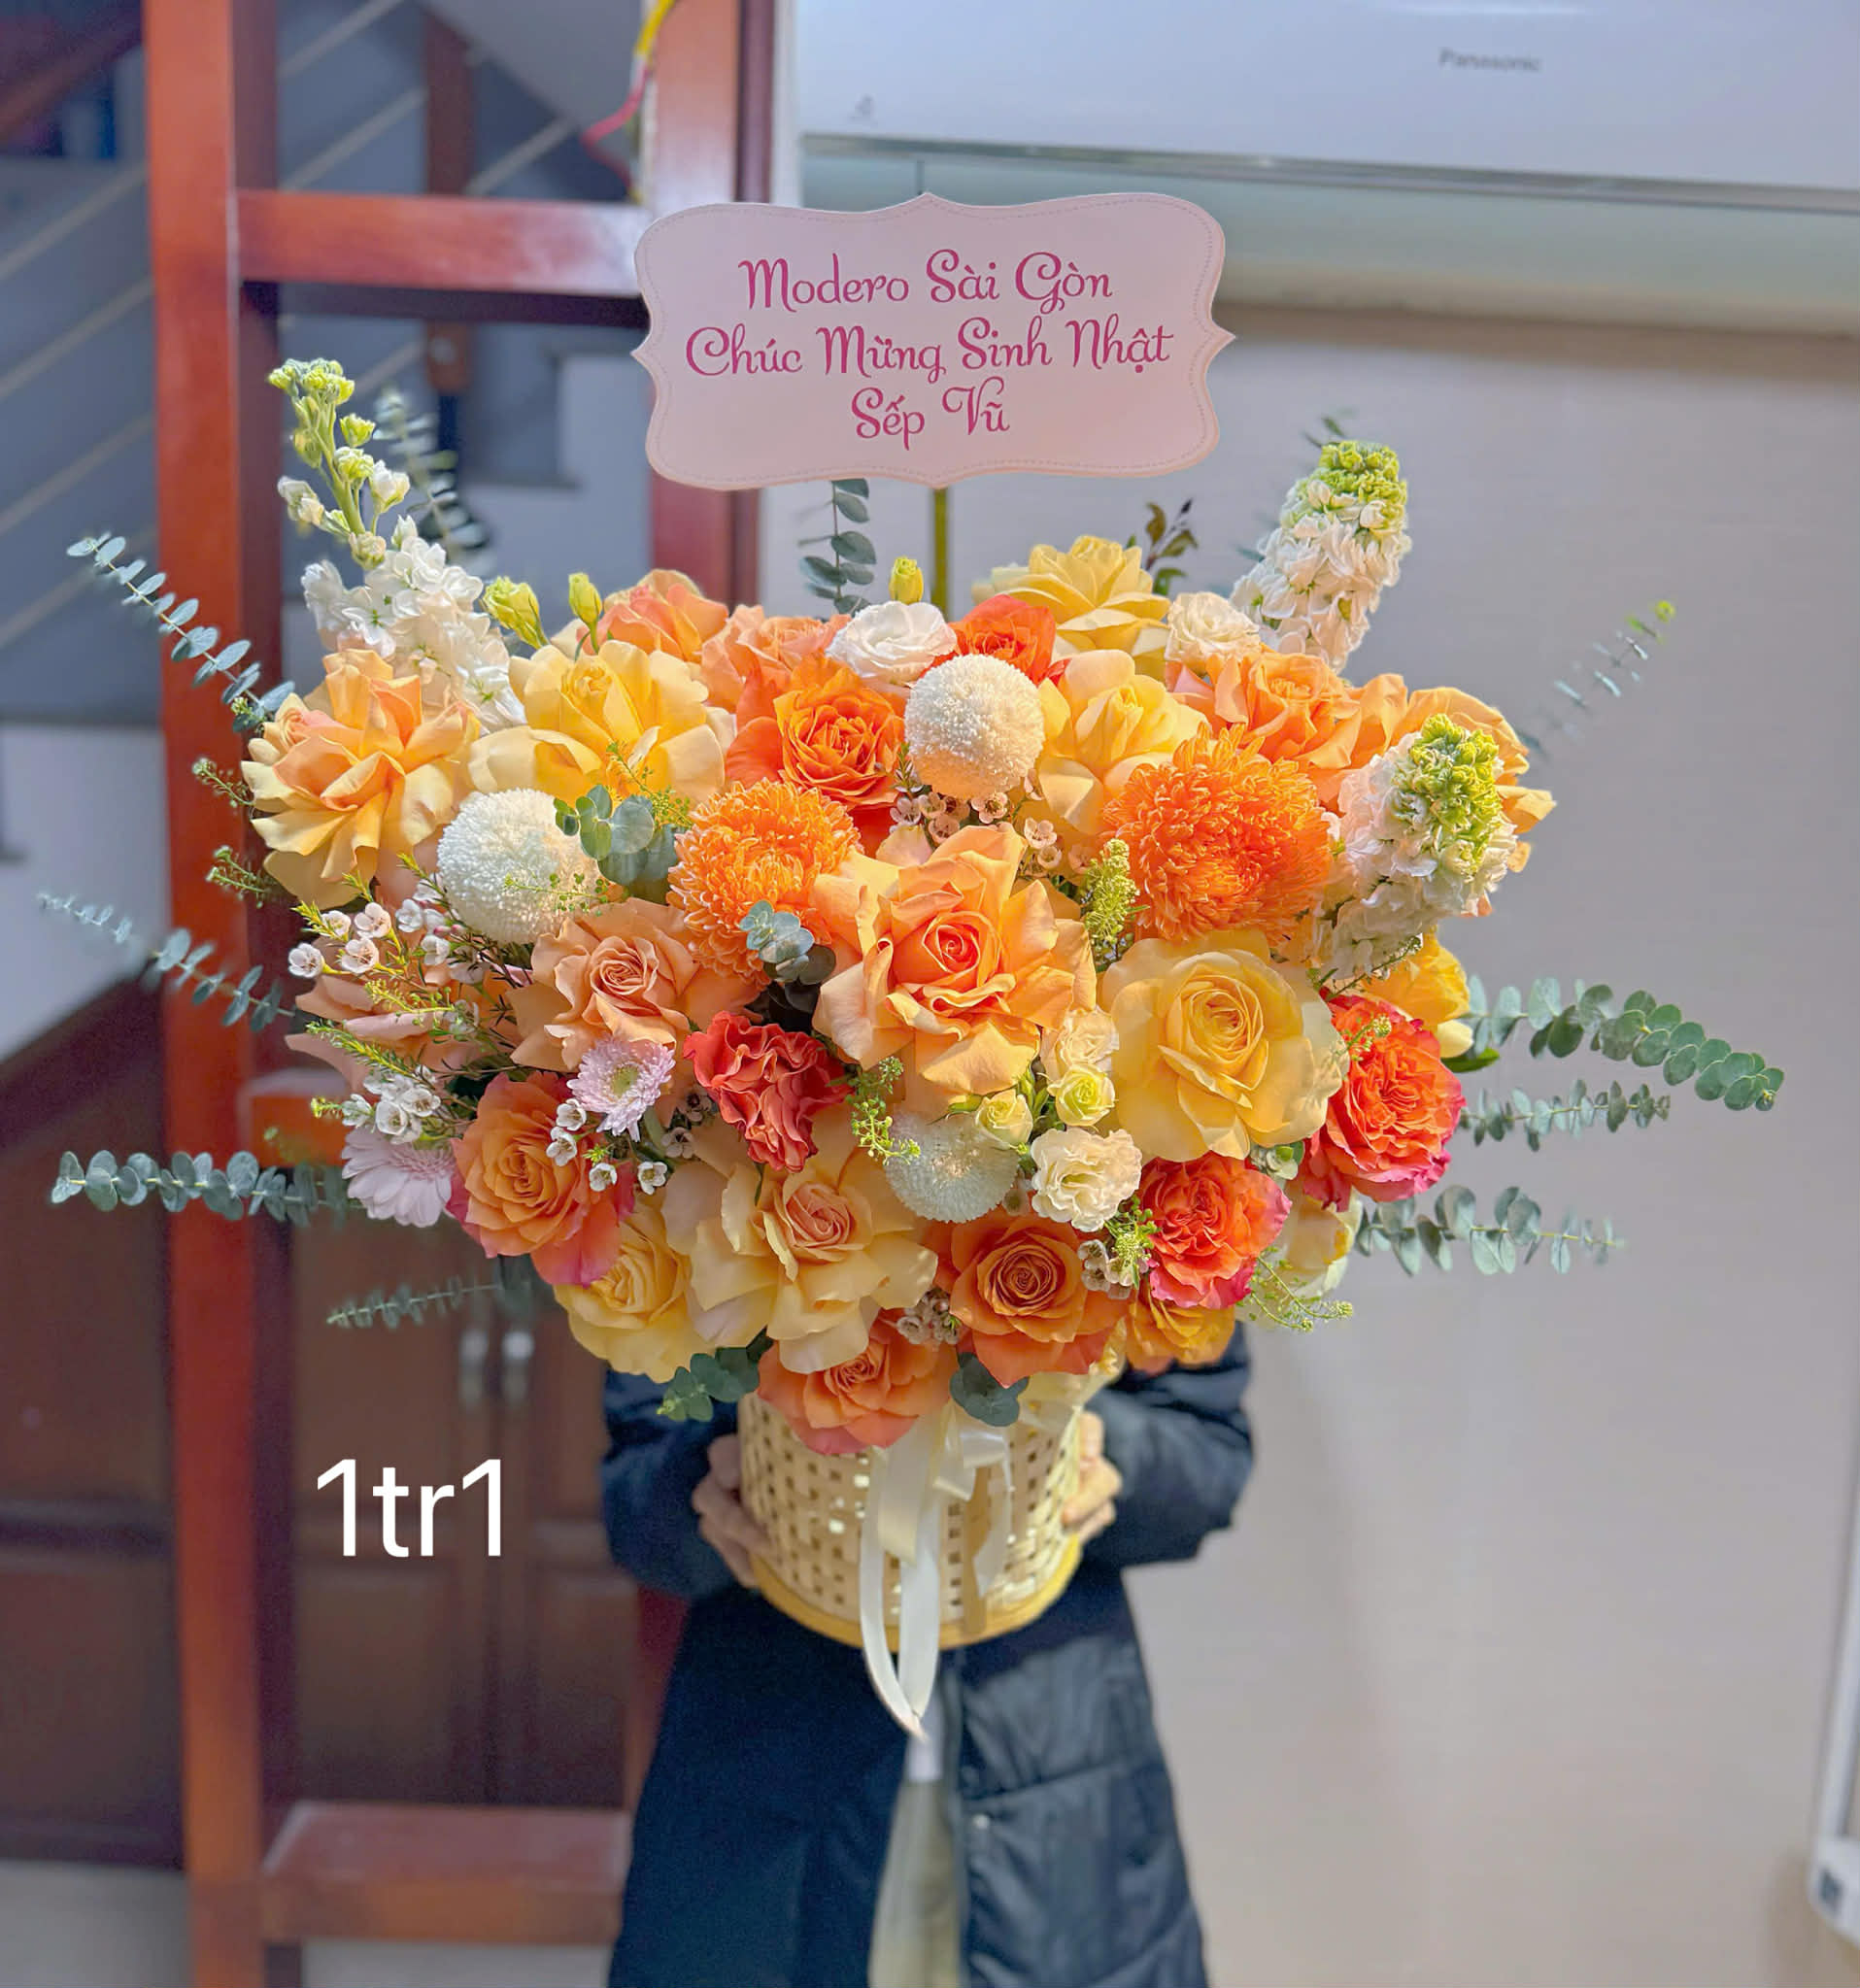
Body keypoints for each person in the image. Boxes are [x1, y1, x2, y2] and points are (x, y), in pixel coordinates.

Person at [600, 1338, 1253, 1988]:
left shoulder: (1126, 1269)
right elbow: (633, 1496)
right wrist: (707, 1478)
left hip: (1058, 1783)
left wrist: (1090, 1443)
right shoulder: (690, 1267)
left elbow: (1208, 1456)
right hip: (765, 1792)